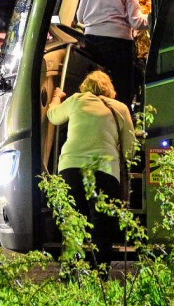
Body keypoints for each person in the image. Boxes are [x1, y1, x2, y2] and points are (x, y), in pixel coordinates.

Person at [46, 69, 136, 267]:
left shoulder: (77, 100)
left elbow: (53, 116)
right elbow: (131, 149)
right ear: (109, 88)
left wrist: (56, 97)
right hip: (104, 169)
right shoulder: (120, 108)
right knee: (102, 225)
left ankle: (70, 272)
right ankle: (100, 274)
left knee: (73, 221)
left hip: (71, 168)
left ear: (86, 86)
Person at [73, 0, 146, 107]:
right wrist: (153, 18)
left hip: (92, 42)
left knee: (98, 89)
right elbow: (135, 22)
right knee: (123, 90)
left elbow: (81, 18)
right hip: (118, 44)